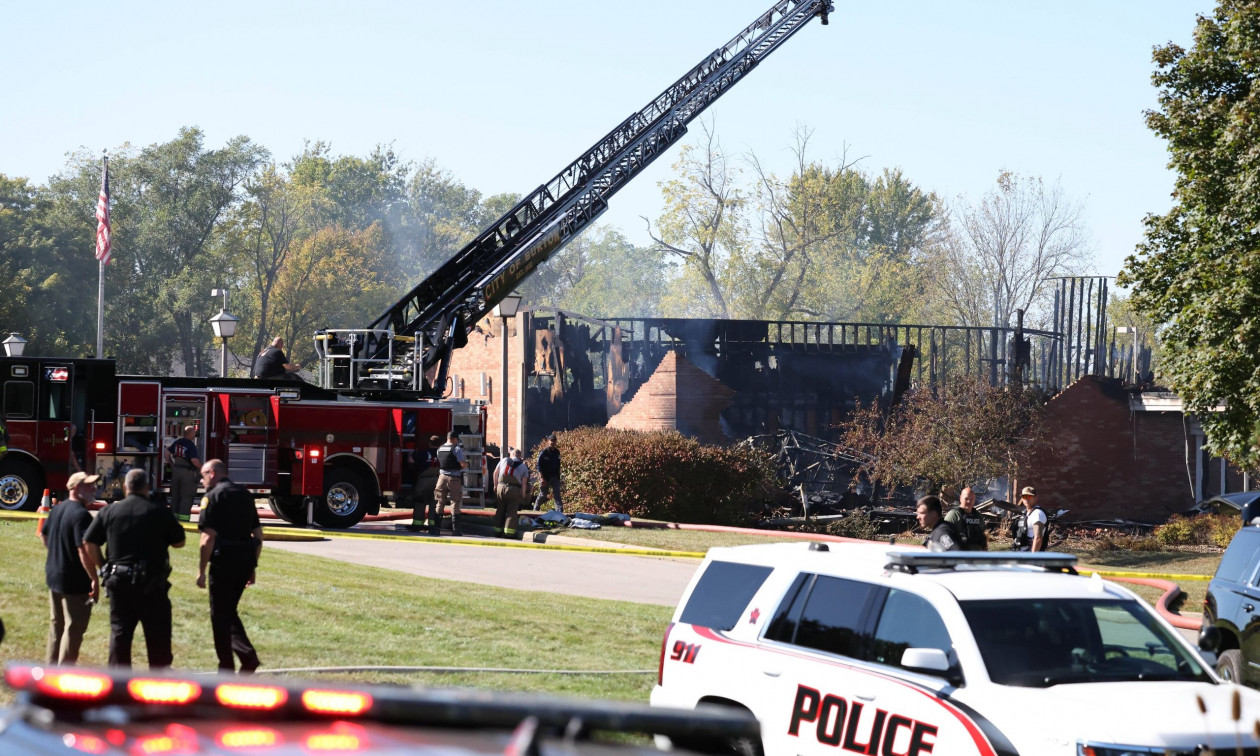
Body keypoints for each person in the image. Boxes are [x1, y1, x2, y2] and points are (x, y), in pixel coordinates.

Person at [83, 468, 186, 669]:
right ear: (147, 487)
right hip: (152, 583)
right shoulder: (159, 512)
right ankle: (158, 682)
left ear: (125, 487)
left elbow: (89, 542)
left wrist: (104, 567)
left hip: (119, 581)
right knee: (158, 637)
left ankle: (119, 683)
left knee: (120, 634)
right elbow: (179, 542)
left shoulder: (109, 511)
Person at [197, 459, 263, 673]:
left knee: (219, 614)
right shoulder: (245, 495)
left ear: (212, 473)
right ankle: (245, 658)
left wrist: (201, 571)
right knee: (228, 610)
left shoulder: (212, 497)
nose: (201, 480)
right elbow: (258, 535)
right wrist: (252, 566)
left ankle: (229, 665)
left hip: (224, 561)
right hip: (244, 560)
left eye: (203, 475)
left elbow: (207, 538)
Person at [42, 471, 101, 665]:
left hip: (54, 575)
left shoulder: (57, 509)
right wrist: (94, 578)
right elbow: (84, 549)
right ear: (76, 488)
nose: (94, 489)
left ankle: (51, 670)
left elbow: (44, 535)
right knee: (74, 627)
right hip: (74, 582)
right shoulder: (81, 515)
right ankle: (63, 673)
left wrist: (57, 555)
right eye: (89, 485)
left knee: (56, 624)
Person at [406, 435, 443, 533]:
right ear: (440, 444)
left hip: (423, 481)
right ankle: (433, 526)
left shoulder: (423, 453)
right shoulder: (443, 454)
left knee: (420, 503)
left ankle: (417, 525)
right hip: (438, 481)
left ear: (429, 443)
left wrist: (410, 453)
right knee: (434, 504)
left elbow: (411, 460)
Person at [493, 447, 531, 539]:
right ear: (519, 456)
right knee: (512, 511)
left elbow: (495, 473)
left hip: (501, 487)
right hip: (514, 490)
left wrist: (495, 486)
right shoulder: (523, 467)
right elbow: (524, 483)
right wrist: (523, 495)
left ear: (513, 454)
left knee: (500, 510)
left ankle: (497, 531)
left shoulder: (504, 460)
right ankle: (509, 533)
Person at [434, 431, 467, 536]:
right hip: (454, 479)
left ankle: (436, 529)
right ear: (454, 439)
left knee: (440, 502)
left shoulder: (440, 448)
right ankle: (455, 530)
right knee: (455, 503)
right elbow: (462, 464)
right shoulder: (456, 449)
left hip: (441, 478)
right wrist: (466, 464)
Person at [168, 425, 202, 522]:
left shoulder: (177, 442)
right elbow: (194, 460)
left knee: (175, 496)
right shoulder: (190, 445)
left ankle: (173, 520)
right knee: (186, 497)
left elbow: (166, 452)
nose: (195, 434)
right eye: (194, 432)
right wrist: (203, 468)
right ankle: (184, 521)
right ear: (190, 433)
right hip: (187, 473)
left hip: (176, 471)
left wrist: (171, 463)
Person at [945, 486, 988, 551]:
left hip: (977, 555)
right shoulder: (953, 515)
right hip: (959, 555)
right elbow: (944, 536)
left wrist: (985, 553)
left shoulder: (978, 515)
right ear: (960, 498)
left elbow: (983, 537)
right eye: (966, 498)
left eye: (971, 499)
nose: (969, 501)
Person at [533, 433, 563, 514]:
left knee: (557, 494)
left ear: (556, 441)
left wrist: (559, 478)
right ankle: (536, 508)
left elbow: (558, 465)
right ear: (548, 441)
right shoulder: (544, 452)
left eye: (554, 440)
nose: (553, 442)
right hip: (545, 477)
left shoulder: (557, 452)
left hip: (555, 477)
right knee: (543, 494)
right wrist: (541, 478)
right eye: (551, 440)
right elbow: (538, 466)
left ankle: (559, 512)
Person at [1015, 486, 1048, 552]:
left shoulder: (1037, 513)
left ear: (1035, 498)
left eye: (1029, 496)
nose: (1027, 499)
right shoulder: (1025, 513)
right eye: (1024, 496)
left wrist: (1033, 556)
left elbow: (1038, 538)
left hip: (1032, 553)